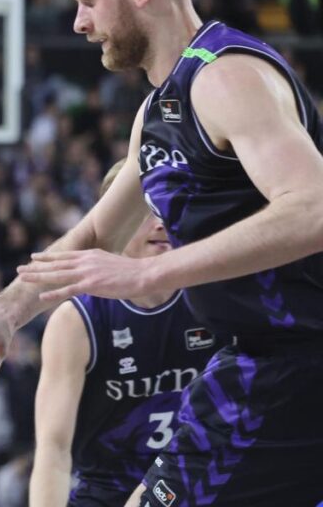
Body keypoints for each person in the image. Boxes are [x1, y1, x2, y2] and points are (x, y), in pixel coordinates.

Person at [0, 0, 323, 504]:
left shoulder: (225, 75)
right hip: (256, 359)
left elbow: (314, 207)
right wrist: (9, 308)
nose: (80, 23)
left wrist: (152, 274)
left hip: (296, 356)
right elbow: (96, 232)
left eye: (87, 0)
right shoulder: (157, 112)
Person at [29, 161, 222, 506]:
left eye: (169, 206)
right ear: (112, 224)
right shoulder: (77, 320)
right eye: (146, 210)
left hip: (196, 485)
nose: (161, 222)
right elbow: (53, 450)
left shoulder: (213, 300)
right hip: (105, 493)